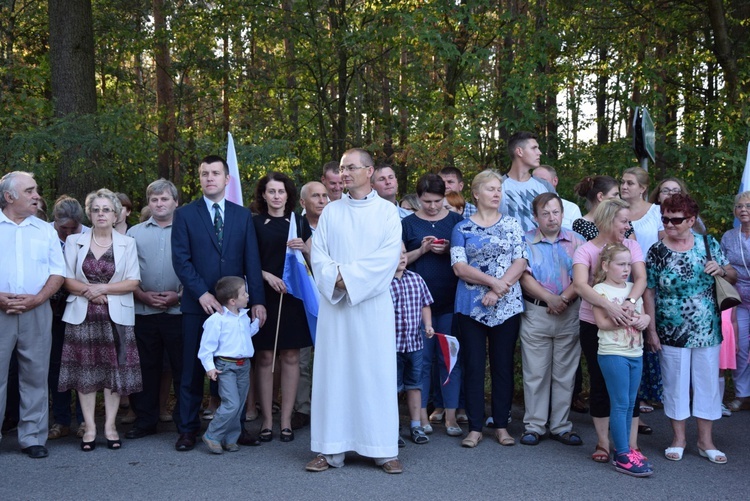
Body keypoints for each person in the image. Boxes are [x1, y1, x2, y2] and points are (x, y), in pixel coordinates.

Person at [306, 148, 403, 474]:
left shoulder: (388, 213)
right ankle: (329, 448)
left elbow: (387, 258)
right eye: (342, 168)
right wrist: (337, 279)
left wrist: (349, 278)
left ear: (370, 171)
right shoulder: (331, 213)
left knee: (374, 374)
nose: (344, 173)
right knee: (334, 374)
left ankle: (382, 448)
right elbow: (318, 255)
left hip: (372, 307)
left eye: (351, 167)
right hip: (337, 310)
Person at [171, 154, 266, 451]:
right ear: (199, 179)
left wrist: (258, 301)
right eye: (204, 173)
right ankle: (187, 429)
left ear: (227, 179)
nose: (209, 177)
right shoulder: (185, 215)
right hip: (197, 305)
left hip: (235, 311)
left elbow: (252, 261)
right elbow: (181, 260)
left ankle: (234, 429)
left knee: (234, 370)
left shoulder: (241, 216)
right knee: (192, 368)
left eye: (215, 173)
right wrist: (202, 293)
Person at [643, 194, 735, 464]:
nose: (669, 224)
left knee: (707, 385)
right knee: (675, 385)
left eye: (676, 219)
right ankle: (678, 439)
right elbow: (648, 291)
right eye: (666, 219)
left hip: (707, 328)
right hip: (671, 329)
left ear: (692, 220)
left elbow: (733, 274)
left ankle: (706, 442)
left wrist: (720, 269)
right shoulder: (657, 250)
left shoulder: (708, 244)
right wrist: (651, 330)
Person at [59, 188, 142, 452]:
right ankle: (90, 428)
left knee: (113, 373)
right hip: (81, 316)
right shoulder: (75, 241)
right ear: (90, 214)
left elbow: (132, 281)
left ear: (116, 213)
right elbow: (65, 279)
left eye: (106, 209)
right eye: (96, 210)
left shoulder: (127, 243)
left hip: (115, 316)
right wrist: (88, 292)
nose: (101, 214)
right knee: (85, 373)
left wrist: (102, 289)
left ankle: (110, 426)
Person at [451, 170, 527, 448]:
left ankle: (502, 426)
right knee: (473, 366)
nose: (497, 194)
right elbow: (459, 267)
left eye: (499, 189)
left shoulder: (511, 225)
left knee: (503, 366)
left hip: (506, 307)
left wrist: (499, 288)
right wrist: (492, 283)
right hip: (470, 307)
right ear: (476, 194)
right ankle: (474, 427)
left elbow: (520, 261)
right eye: (491, 189)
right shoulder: (461, 228)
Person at [572, 198, 647, 464]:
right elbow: (580, 285)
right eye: (623, 221)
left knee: (630, 389)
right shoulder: (585, 250)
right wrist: (607, 306)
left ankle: (631, 444)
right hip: (594, 324)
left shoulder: (632, 246)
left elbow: (641, 279)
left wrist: (629, 303)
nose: (628, 226)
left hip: (628, 322)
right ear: (607, 220)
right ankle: (604, 443)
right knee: (601, 383)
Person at [0, 171, 65, 459]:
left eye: (35, 190)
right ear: (9, 196)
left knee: (36, 376)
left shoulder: (45, 230)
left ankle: (32, 438)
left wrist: (38, 299)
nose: (36, 195)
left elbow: (58, 272)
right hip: (0, 310)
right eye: (29, 191)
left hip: (37, 311)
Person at [519, 193, 585, 446]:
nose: (551, 218)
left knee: (565, 373)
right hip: (536, 312)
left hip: (569, 312)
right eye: (545, 213)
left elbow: (584, 277)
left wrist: (563, 299)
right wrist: (549, 298)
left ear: (562, 213)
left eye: (555, 212)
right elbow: (523, 276)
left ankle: (561, 426)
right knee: (535, 372)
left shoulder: (577, 241)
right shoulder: (524, 241)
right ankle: (534, 426)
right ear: (535, 217)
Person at [251, 172, 312, 443]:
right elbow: (246, 261)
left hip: (293, 296)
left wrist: (306, 249)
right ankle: (266, 420)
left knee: (290, 357)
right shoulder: (253, 223)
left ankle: (286, 421)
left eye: (281, 191)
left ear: (289, 195)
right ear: (263, 195)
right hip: (264, 295)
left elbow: (315, 262)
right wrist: (266, 275)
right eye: (271, 191)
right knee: (264, 358)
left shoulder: (299, 222)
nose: (276, 196)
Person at [402, 173, 464, 436]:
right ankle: (422, 417)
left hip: (451, 299)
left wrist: (450, 248)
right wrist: (423, 250)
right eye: (427, 201)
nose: (433, 206)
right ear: (418, 198)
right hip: (417, 304)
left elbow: (466, 257)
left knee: (450, 358)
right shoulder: (409, 224)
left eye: (438, 201)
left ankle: (451, 417)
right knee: (422, 361)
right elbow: (401, 259)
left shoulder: (456, 221)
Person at [125, 179, 184, 439]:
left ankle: (186, 423)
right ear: (148, 203)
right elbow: (125, 271)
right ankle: (145, 421)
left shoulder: (188, 230)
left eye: (164, 199)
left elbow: (197, 268)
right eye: (154, 200)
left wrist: (180, 296)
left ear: (175, 202)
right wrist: (141, 295)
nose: (159, 204)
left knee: (183, 369)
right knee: (146, 368)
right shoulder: (133, 233)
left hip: (180, 312)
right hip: (144, 311)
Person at [592, 243, 653, 477]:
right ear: (606, 265)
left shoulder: (632, 289)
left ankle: (626, 448)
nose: (626, 269)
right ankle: (622, 455)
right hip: (613, 353)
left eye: (628, 264)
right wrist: (630, 321)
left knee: (630, 403)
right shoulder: (599, 290)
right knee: (619, 404)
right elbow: (602, 323)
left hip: (635, 353)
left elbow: (644, 314)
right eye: (620, 264)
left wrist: (645, 319)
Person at [620, 167, 664, 419]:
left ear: (643, 188)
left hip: (650, 280)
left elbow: (661, 244)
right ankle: (632, 396)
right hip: (621, 279)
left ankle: (653, 392)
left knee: (651, 334)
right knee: (628, 335)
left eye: (630, 183)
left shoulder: (656, 212)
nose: (625, 187)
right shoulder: (616, 210)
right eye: (623, 182)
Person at [198, 276, 260, 454]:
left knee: (239, 404)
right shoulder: (217, 320)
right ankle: (212, 434)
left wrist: (256, 324)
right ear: (233, 300)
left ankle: (230, 438)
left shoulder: (243, 317)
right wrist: (209, 367)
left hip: (243, 366)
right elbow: (206, 348)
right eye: (244, 293)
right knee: (231, 403)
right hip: (226, 366)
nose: (248, 295)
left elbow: (244, 335)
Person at [48, 196, 88, 441]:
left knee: (83, 365)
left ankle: (85, 421)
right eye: (64, 229)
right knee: (56, 366)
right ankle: (61, 420)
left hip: (83, 307)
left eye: (74, 228)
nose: (69, 233)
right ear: (54, 222)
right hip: (51, 310)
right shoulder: (43, 234)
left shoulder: (91, 235)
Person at [291, 181, 329, 430]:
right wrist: (304, 250)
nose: (322, 200)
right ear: (303, 203)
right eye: (316, 196)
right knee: (302, 359)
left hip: (333, 298)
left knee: (332, 358)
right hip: (304, 300)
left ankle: (332, 408)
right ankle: (302, 409)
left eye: (325, 195)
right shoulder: (295, 225)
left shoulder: (337, 224)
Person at [391, 243, 434, 445]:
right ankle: (392, 426)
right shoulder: (383, 282)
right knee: (393, 387)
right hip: (392, 346)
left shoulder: (416, 279)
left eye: (403, 253)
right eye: (396, 254)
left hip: (414, 343)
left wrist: (428, 325)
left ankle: (416, 425)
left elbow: (425, 304)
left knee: (415, 385)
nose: (401, 257)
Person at [721, 192, 750, 412]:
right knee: (740, 347)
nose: (743, 210)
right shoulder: (729, 236)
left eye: (748, 206)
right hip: (738, 299)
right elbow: (723, 268)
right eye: (739, 206)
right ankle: (742, 394)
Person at [499, 131, 555, 232]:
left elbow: (556, 220)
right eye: (534, 148)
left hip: (542, 246)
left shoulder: (545, 186)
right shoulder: (498, 186)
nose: (539, 152)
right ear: (519, 152)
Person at [532, 165, 582, 230]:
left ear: (555, 181)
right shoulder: (529, 208)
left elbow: (578, 238)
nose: (538, 184)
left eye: (542, 181)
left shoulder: (571, 209)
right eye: (534, 181)